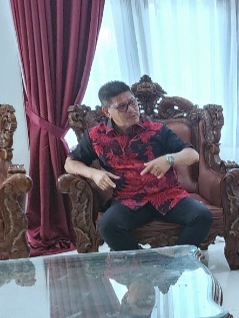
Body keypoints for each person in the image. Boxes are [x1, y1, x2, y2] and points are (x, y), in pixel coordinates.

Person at [65, 81, 213, 251]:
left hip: (166, 194)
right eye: (122, 107)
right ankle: (143, 263)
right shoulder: (95, 136)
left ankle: (176, 262)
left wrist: (169, 159)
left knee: (202, 216)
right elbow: (70, 163)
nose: (132, 109)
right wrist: (94, 174)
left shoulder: (156, 129)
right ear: (107, 111)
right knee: (108, 226)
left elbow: (193, 155)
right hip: (128, 199)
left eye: (133, 102)